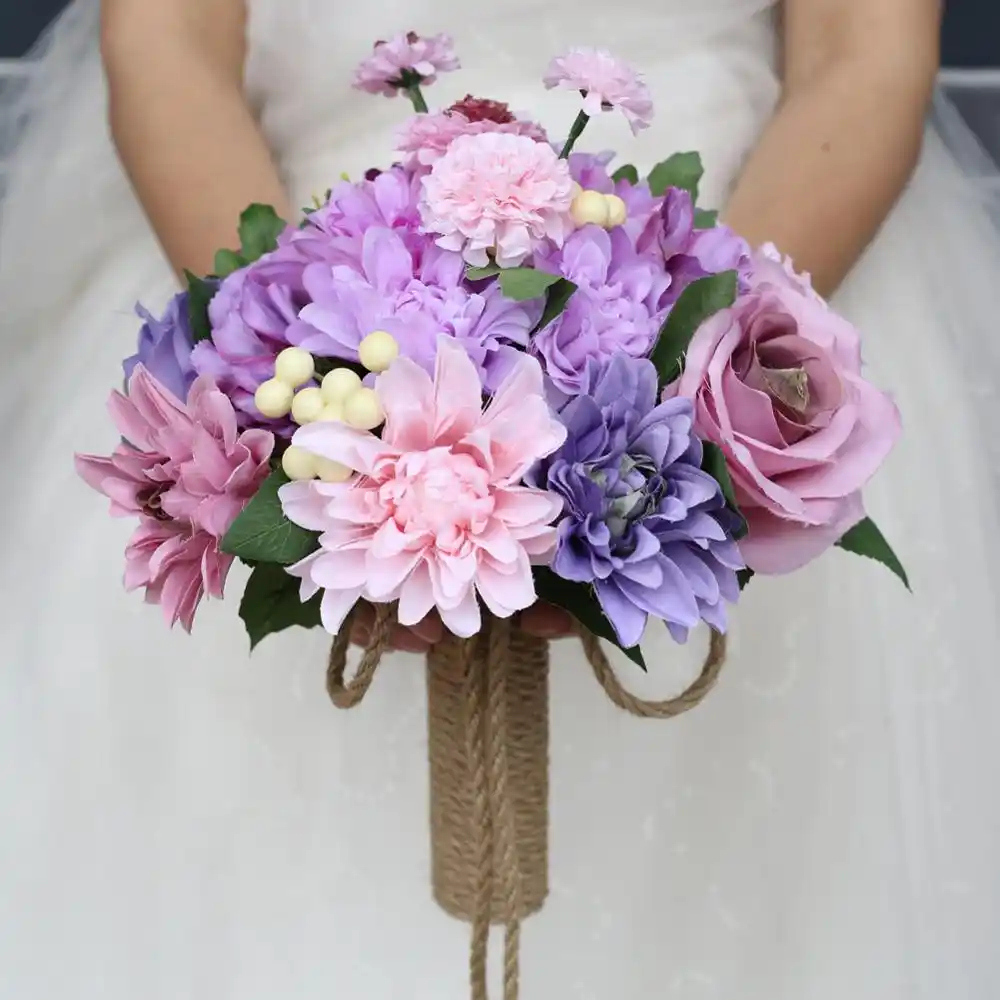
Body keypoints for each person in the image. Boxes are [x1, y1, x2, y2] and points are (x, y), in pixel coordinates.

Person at [1, 0, 998, 997]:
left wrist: (697, 407)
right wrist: (296, 398)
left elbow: (862, 52)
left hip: (738, 255)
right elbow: (167, 37)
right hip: (294, 284)